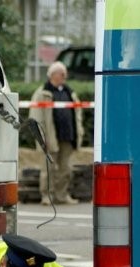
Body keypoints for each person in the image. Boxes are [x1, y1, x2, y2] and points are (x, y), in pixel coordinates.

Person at [29, 61, 84, 206]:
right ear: (53, 75)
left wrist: (79, 133)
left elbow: (77, 113)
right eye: (62, 73)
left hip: (67, 136)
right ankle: (47, 196)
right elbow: (36, 118)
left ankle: (62, 195)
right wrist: (41, 137)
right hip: (50, 137)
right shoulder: (42, 93)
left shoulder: (69, 92)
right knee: (48, 169)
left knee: (65, 169)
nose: (64, 76)